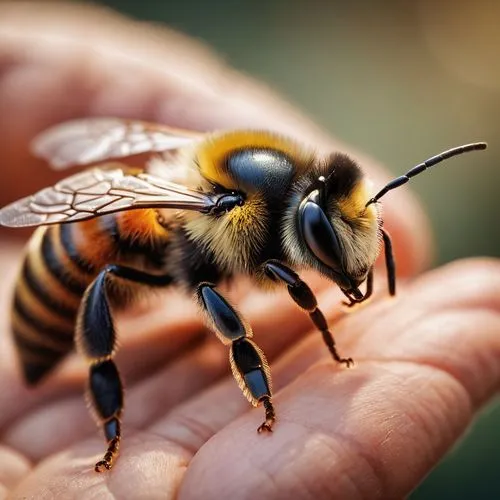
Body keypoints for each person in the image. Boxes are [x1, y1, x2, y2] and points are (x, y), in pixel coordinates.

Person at [0, 3, 498, 499]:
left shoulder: (282, 198)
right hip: (82, 250)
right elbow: (255, 279)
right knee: (109, 278)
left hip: (146, 228)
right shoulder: (234, 202)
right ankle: (111, 429)